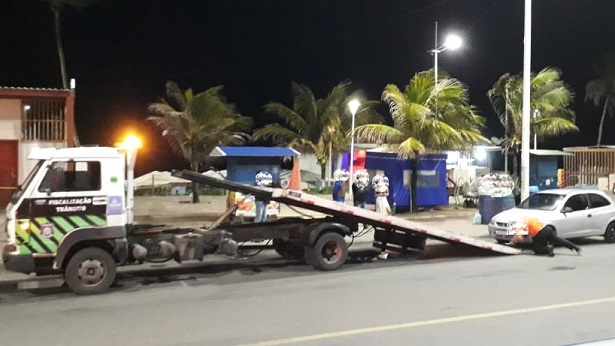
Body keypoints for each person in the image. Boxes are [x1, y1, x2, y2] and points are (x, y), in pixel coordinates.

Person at [507, 216, 581, 257]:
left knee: (536, 248)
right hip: (547, 228)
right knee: (558, 240)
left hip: (540, 232)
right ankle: (575, 247)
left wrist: (513, 242)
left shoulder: (520, 225)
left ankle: (548, 249)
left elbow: (518, 238)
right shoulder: (527, 218)